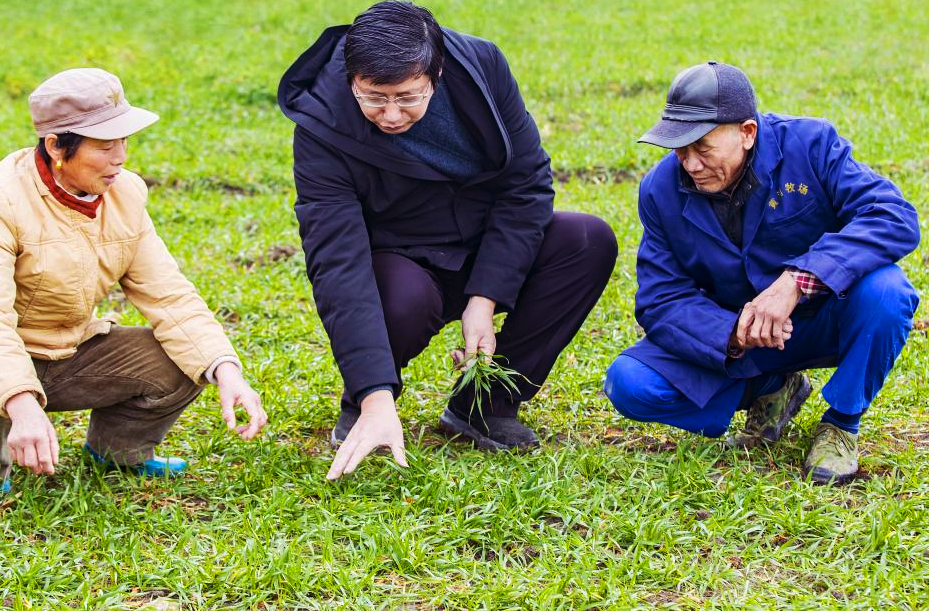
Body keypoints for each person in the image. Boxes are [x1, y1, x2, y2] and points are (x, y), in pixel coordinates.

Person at [278, 1, 617, 480]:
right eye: (373, 98)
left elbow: (526, 183)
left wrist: (485, 297)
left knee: (586, 240)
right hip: (401, 258)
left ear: (434, 71)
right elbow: (338, 261)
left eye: (408, 97)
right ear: (351, 77)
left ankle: (483, 406)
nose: (391, 115)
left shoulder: (481, 64)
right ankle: (368, 404)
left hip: (479, 241)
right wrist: (373, 391)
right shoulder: (321, 124)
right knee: (399, 297)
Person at [604, 61, 920, 485]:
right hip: (742, 342)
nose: (691, 164)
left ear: (747, 133)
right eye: (679, 149)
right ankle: (775, 388)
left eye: (702, 148)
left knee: (888, 291)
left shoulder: (811, 145)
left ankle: (841, 423)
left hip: (824, 318)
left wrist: (797, 281)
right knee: (630, 383)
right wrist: (733, 332)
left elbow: (893, 215)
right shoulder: (659, 190)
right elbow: (661, 299)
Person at [0, 68, 268, 496]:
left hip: (65, 350)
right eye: (105, 146)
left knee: (181, 359)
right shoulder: (6, 199)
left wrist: (225, 368)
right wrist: (19, 400)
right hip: (7, 355)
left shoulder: (125, 194)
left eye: (123, 141)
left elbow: (169, 295)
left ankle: (118, 451)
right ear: (55, 145)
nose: (120, 157)